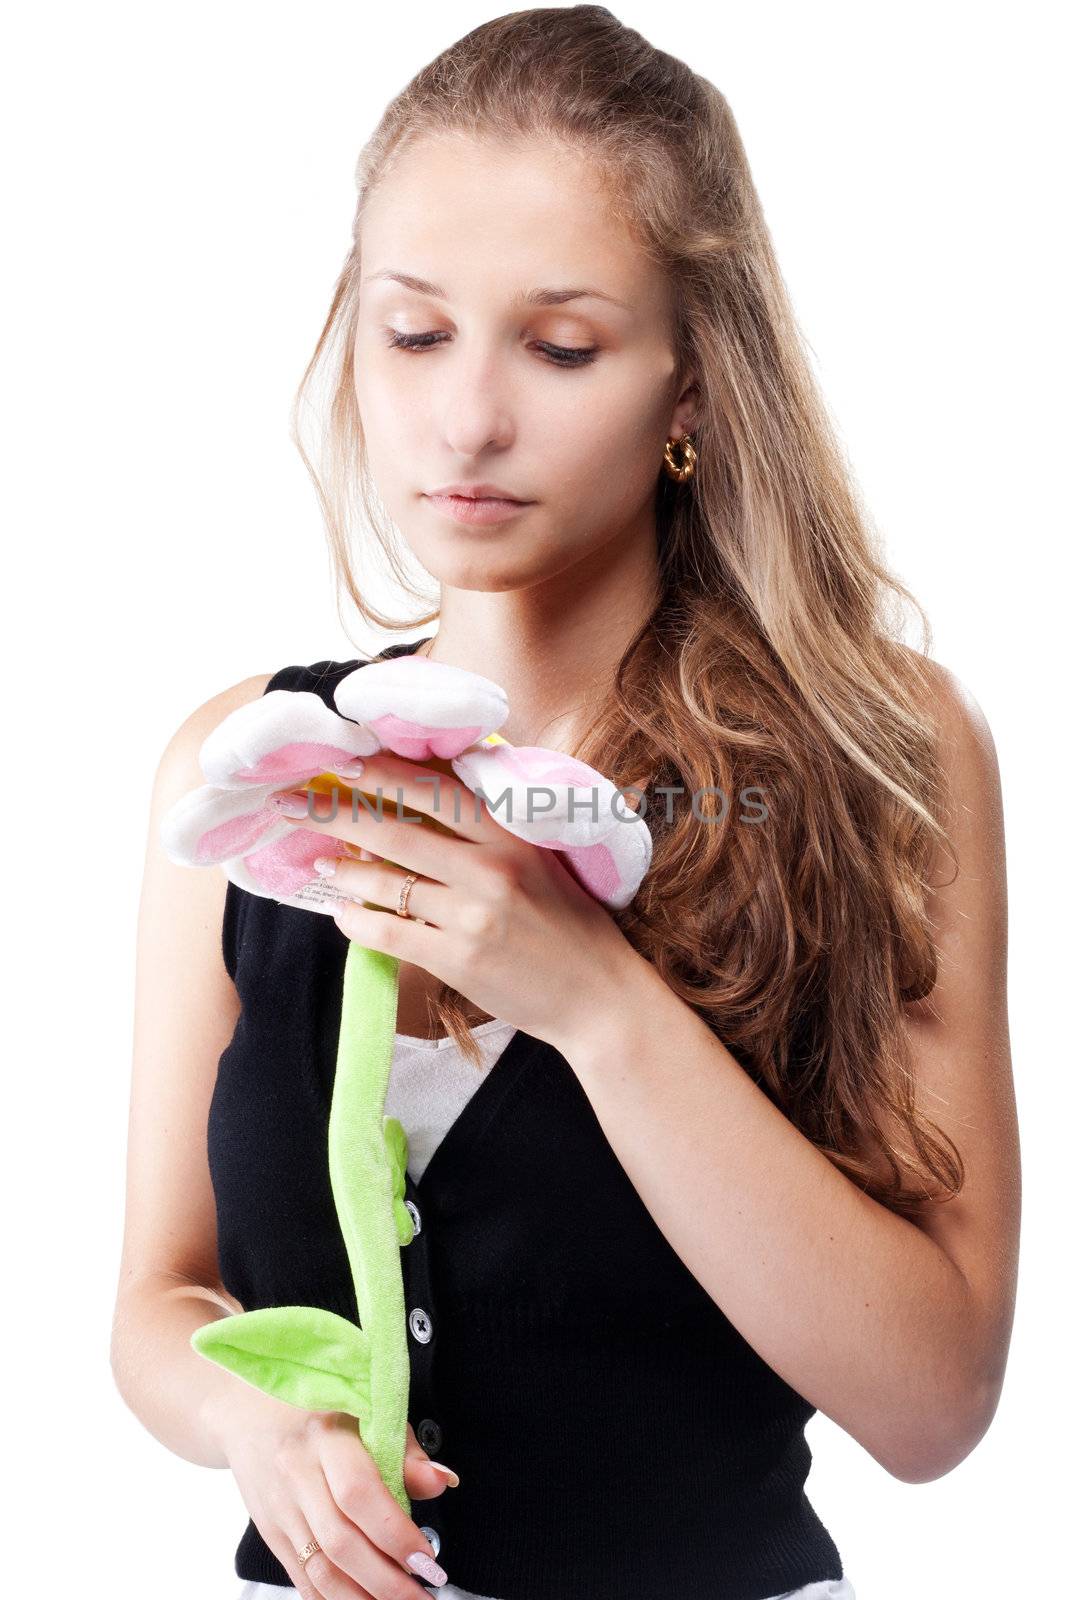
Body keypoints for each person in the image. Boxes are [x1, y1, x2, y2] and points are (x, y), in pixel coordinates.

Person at [109, 7, 1020, 1599]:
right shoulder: (245, 771)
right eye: (412, 334)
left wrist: (596, 1001)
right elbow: (157, 1303)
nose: (464, 422)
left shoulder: (876, 753)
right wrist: (256, 1422)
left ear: (690, 382)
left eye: (562, 346)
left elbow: (934, 1399)